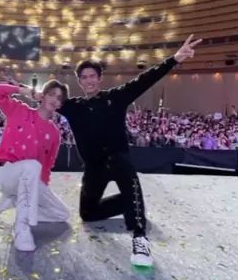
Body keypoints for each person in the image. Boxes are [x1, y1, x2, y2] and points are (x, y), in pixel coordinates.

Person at [16, 34, 202, 266]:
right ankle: (132, 202)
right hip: (93, 168)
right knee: (88, 214)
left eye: (92, 76)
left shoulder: (115, 97)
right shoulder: (73, 107)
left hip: (117, 160)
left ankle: (139, 237)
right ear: (80, 81)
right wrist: (24, 91)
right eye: (84, 77)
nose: (89, 81)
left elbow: (145, 79)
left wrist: (174, 59)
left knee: (125, 168)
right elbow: (47, 99)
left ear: (99, 78)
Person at [0, 78, 71, 252]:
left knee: (62, 214)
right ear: (42, 95)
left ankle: (16, 202)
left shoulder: (54, 133)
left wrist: (41, 192)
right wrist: (23, 91)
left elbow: (46, 166)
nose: (54, 100)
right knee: (32, 165)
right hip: (6, 173)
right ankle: (22, 228)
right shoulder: (19, 110)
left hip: (30, 179)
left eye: (59, 98)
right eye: (51, 94)